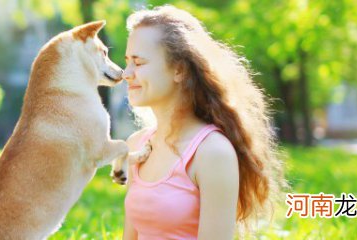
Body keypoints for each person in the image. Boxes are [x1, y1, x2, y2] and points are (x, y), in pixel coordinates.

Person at [121, 5, 286, 240]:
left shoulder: (212, 152)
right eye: (127, 61)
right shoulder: (137, 145)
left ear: (179, 69)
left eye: (138, 62)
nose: (126, 73)